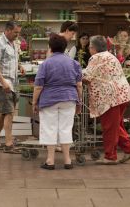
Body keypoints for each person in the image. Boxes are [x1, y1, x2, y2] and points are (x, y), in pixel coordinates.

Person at [83, 35, 130, 164]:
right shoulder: (110, 56)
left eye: (90, 46)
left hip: (109, 97)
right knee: (116, 125)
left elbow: (87, 76)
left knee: (110, 126)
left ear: (93, 48)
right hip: (122, 94)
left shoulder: (96, 58)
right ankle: (129, 149)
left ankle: (110, 156)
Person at [32, 34, 82, 170]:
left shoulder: (46, 64)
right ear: (65, 47)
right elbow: (79, 85)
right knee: (66, 128)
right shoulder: (74, 63)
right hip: (69, 98)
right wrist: (79, 102)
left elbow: (38, 86)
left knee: (50, 128)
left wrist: (34, 102)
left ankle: (50, 160)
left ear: (50, 47)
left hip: (49, 100)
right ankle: (67, 160)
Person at [0, 21, 25, 153]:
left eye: (18, 32)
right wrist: (3, 82)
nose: (17, 35)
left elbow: (11, 60)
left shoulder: (13, 43)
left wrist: (19, 66)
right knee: (9, 112)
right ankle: (9, 144)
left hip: (13, 83)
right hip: (3, 83)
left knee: (5, 111)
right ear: (8, 30)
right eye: (16, 32)